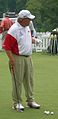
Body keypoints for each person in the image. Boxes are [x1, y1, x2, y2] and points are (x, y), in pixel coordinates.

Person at [2, 10, 40, 112]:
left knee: (29, 80)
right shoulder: (14, 30)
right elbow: (6, 46)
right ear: (22, 19)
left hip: (28, 57)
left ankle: (30, 101)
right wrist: (12, 60)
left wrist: (34, 40)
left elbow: (26, 38)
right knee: (17, 81)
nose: (30, 21)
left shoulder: (26, 26)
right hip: (17, 58)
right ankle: (17, 103)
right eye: (28, 19)